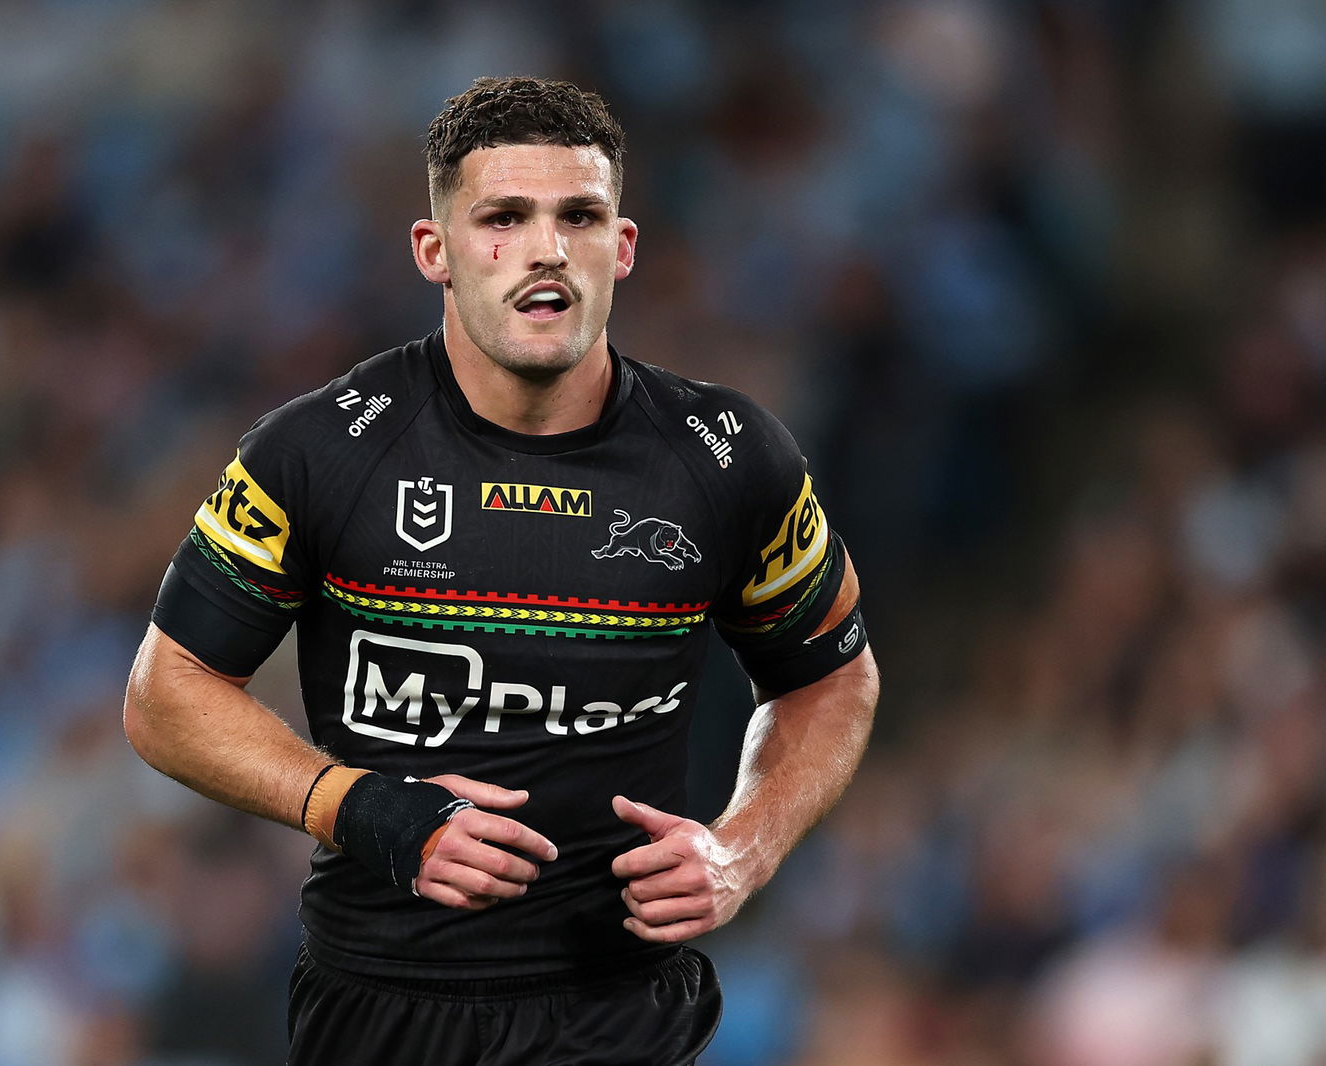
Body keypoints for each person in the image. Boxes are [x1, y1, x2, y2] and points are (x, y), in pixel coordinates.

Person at [124, 75, 880, 1066]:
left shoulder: (728, 458)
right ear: (433, 252)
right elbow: (163, 694)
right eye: (503, 217)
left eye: (579, 215)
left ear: (623, 247)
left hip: (618, 1010)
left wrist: (745, 843)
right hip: (380, 1005)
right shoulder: (320, 451)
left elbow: (830, 676)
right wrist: (360, 805)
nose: (545, 249)